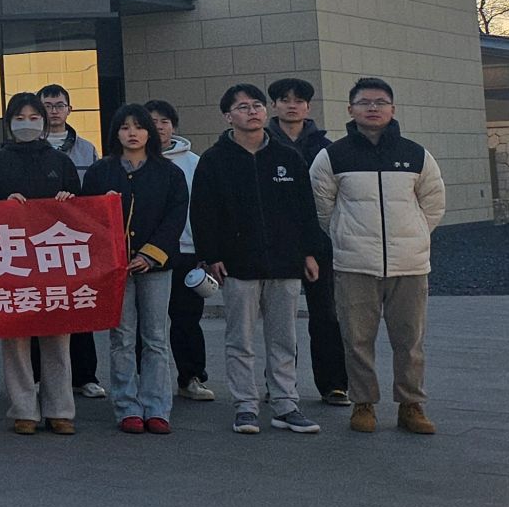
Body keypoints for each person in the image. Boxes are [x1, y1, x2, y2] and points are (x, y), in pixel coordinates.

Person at [310, 77, 446, 437]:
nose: (373, 108)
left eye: (381, 102)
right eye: (365, 102)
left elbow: (433, 204)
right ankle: (363, 403)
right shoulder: (333, 156)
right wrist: (345, 235)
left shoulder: (416, 154)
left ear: (393, 109)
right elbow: (322, 207)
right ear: (350, 109)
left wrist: (414, 235)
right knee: (357, 340)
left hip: (410, 264)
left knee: (409, 340)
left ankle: (411, 405)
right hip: (355, 264)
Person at [189, 83, 325, 437]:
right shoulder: (214, 160)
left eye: (257, 105)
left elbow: (305, 210)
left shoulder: (287, 157)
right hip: (238, 264)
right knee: (240, 340)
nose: (252, 111)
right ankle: (245, 406)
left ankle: (286, 404)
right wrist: (211, 256)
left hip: (286, 261)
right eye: (242, 107)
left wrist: (309, 252)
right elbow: (202, 212)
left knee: (284, 339)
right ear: (227, 116)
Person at [0, 93, 81, 435]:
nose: (27, 123)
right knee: (16, 338)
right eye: (19, 117)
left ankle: (60, 410)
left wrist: (68, 201)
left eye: (34, 117)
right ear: (9, 122)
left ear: (44, 122)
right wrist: (2, 205)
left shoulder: (60, 162)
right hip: (12, 260)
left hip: (54, 260)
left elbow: (82, 211)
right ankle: (23, 409)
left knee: (57, 337)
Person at [83, 105, 188, 435]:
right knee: (122, 337)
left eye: (139, 127)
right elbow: (86, 217)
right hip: (115, 267)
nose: (132, 133)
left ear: (149, 133)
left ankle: (157, 407)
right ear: (115, 132)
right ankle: (127, 406)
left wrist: (150, 254)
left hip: (156, 266)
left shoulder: (169, 173)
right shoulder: (100, 172)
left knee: (155, 338)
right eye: (125, 127)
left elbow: (175, 218)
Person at [268, 77, 349, 406]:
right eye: (285, 99)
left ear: (308, 106)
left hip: (320, 243)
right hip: (276, 243)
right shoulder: (262, 145)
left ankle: (334, 384)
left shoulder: (325, 148)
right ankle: (278, 384)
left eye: (298, 100)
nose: (292, 105)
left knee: (326, 314)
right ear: (274, 105)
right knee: (279, 320)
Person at [144, 99, 214, 402]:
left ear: (174, 126)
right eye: (152, 121)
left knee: (186, 319)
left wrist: (205, 252)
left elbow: (205, 210)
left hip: (186, 251)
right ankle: (144, 380)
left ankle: (191, 378)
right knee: (145, 323)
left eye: (165, 121)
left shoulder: (194, 162)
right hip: (145, 254)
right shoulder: (133, 160)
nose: (159, 127)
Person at [38, 84, 105, 398]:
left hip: (75, 239)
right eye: (47, 105)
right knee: (40, 310)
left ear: (69, 109)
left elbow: (93, 194)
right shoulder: (29, 147)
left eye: (59, 105)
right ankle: (40, 379)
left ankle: (85, 376)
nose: (53, 111)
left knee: (79, 305)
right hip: (37, 240)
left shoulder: (87, 149)